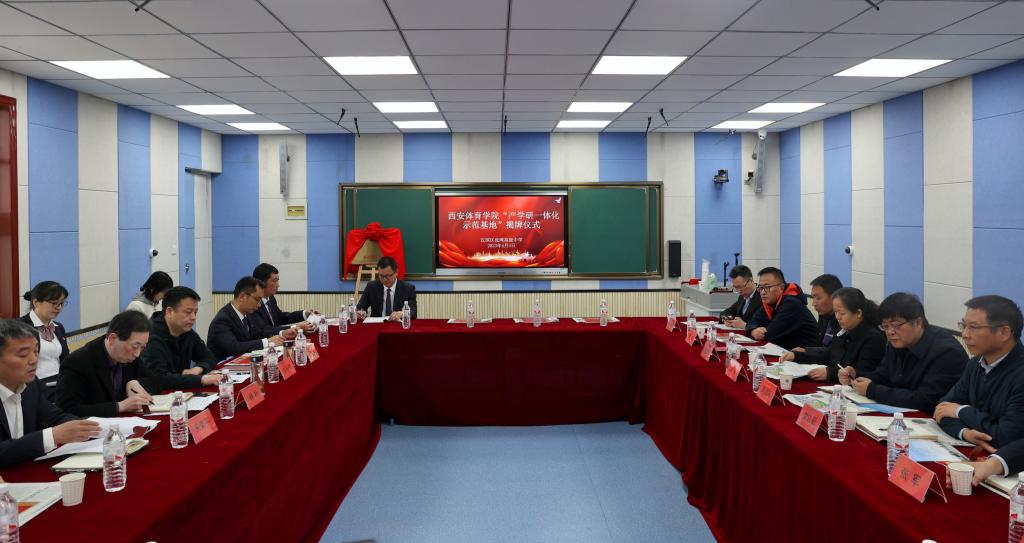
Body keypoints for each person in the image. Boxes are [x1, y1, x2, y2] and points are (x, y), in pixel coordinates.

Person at [839, 292, 967, 414]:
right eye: (885, 326)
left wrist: (872, 390)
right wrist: (855, 375)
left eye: (896, 325)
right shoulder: (898, 342)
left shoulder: (946, 352)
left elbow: (926, 400)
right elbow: (883, 376)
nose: (890, 332)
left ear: (918, 323)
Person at [0, 320, 100, 468]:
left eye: (36, 352)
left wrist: (93, 427)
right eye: (23, 354)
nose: (34, 360)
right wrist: (50, 436)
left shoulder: (31, 385)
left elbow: (55, 418)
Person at [935, 295, 1024, 450]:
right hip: (976, 450)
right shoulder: (975, 364)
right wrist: (964, 433)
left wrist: (962, 411)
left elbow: (1007, 436)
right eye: (963, 326)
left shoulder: (1020, 374)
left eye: (973, 327)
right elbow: (942, 410)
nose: (965, 334)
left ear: (1004, 332)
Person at [55, 311, 161, 417]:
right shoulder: (77, 362)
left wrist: (135, 382)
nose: (137, 354)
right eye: (135, 346)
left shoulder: (130, 357)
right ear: (112, 339)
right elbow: (67, 409)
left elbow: (157, 380)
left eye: (142, 347)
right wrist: (119, 406)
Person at [782, 287, 886, 382]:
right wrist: (797, 356)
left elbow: (864, 375)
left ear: (858, 313)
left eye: (842, 313)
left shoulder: (873, 338)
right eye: (836, 312)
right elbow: (829, 355)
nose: (838, 317)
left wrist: (830, 373)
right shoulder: (842, 330)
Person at [140, 287, 221, 390]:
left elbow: (209, 356)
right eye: (188, 312)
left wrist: (198, 368)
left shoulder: (186, 331)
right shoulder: (150, 336)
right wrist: (202, 379)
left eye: (195, 312)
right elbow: (160, 378)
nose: (193, 317)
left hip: (180, 391)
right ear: (170, 312)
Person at [207, 277, 290, 360]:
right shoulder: (222, 320)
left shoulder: (248, 314)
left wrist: (282, 333)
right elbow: (234, 347)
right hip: (223, 365)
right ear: (242, 296)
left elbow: (260, 332)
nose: (259, 305)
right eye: (257, 300)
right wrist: (267, 342)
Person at [744, 267, 819, 350]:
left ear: (781, 287)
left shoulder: (791, 303)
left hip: (807, 355)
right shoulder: (770, 303)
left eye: (767, 287)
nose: (763, 292)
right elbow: (751, 322)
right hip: (786, 351)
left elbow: (770, 335)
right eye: (760, 288)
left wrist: (759, 331)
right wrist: (753, 331)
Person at [19, 281, 70, 395]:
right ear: (36, 302)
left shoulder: (58, 327)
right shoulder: (20, 328)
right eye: (54, 303)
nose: (59, 308)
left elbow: (65, 359)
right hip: (34, 386)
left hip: (60, 382)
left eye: (62, 303)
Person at [250, 263, 317, 335]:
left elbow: (281, 317)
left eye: (278, 281)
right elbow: (264, 330)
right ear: (262, 283)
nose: (278, 285)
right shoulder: (253, 303)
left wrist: (305, 313)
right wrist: (296, 327)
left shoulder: (271, 298)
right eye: (274, 281)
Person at [357, 256, 417, 321]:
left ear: (396, 272)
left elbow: (413, 312)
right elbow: (360, 307)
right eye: (381, 276)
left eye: (387, 276)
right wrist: (361, 313)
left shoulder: (408, 288)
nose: (384, 279)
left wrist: (402, 313)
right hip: (377, 324)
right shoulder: (372, 286)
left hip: (397, 324)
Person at [809, 274, 842, 347]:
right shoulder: (824, 316)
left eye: (818, 298)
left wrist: (807, 352)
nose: (813, 304)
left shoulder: (843, 321)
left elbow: (833, 351)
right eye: (813, 298)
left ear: (834, 297)